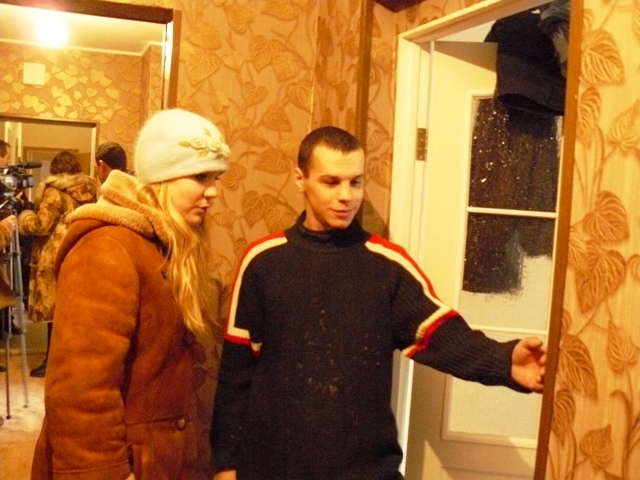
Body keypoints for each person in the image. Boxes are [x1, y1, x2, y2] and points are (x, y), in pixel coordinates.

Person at [210, 126, 547, 480]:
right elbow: (236, 373)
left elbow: (443, 336)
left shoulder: (386, 266)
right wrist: (226, 465)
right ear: (300, 179)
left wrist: (504, 362)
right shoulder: (263, 261)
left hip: (366, 471)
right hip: (271, 469)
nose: (346, 196)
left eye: (355, 182)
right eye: (331, 182)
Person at [30, 108, 231, 480]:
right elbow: (79, 393)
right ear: (162, 176)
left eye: (215, 177)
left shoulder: (156, 243)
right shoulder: (108, 248)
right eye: (200, 176)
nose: (213, 190)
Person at [18, 151, 97, 378]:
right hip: (78, 252)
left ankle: (52, 361)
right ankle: (71, 360)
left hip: (54, 257)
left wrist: (25, 217)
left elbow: (41, 225)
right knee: (70, 311)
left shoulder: (54, 192)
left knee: (54, 312)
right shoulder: (89, 193)